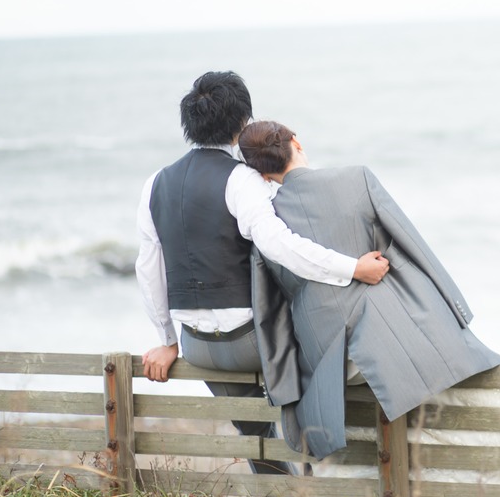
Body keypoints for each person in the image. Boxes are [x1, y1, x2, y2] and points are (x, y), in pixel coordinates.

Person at [135, 72, 390, 475]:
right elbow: (280, 246)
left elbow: (148, 270)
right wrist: (353, 267)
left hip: (198, 346)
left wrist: (167, 341)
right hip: (250, 342)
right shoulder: (242, 179)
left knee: (253, 429)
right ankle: (335, 474)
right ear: (242, 123)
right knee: (339, 348)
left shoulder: (154, 184)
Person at [238, 120, 500, 462]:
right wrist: (457, 314)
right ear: (296, 142)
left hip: (328, 360)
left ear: (261, 174)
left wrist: (286, 389)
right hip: (384, 332)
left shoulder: (265, 225)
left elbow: (270, 312)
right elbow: (412, 246)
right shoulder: (356, 179)